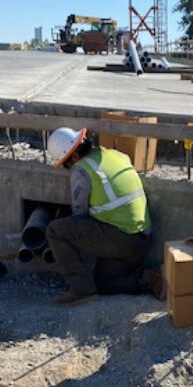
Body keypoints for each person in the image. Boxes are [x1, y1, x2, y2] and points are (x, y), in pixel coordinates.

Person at [45, 127, 161, 306]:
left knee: (55, 230)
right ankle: (147, 279)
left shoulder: (82, 170)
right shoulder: (114, 155)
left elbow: (79, 217)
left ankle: (80, 291)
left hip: (122, 239)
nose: (67, 170)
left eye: (65, 164)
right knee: (97, 282)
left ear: (74, 157)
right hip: (141, 241)